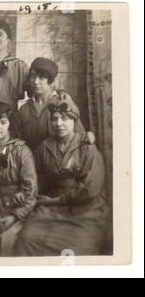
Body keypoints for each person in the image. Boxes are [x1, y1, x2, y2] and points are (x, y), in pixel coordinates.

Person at [14, 96, 109, 256]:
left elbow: (90, 190)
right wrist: (28, 193)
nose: (59, 124)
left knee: (74, 249)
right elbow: (37, 180)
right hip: (52, 208)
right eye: (55, 119)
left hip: (85, 210)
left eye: (64, 119)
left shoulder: (87, 148)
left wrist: (56, 201)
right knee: (27, 238)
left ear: (74, 121)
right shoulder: (45, 147)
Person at [0, 102, 38, 256]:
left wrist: (14, 216)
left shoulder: (21, 151)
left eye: (3, 122)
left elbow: (30, 191)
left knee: (10, 239)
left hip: (19, 209)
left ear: (10, 125)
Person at [13, 57, 94, 152]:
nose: (36, 82)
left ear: (52, 82)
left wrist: (88, 136)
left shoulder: (62, 102)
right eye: (33, 76)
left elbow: (80, 136)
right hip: (31, 161)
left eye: (41, 77)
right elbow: (17, 139)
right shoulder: (24, 109)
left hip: (56, 160)